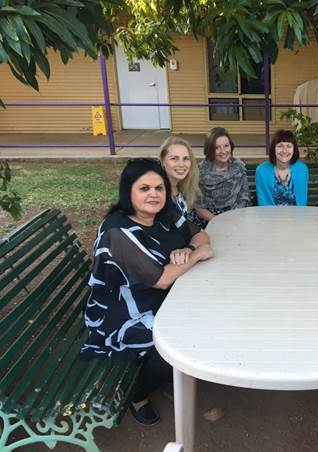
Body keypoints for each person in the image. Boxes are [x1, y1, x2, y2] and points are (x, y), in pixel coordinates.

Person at [81, 159, 214, 426]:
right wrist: (197, 254)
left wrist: (189, 248)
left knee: (212, 311)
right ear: (128, 192)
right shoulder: (117, 231)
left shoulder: (165, 216)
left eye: (159, 188)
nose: (153, 194)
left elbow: (200, 234)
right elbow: (162, 279)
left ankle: (178, 372)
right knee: (173, 342)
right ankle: (137, 394)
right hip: (123, 312)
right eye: (144, 188)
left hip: (162, 298)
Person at [192, 127, 250, 228]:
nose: (223, 151)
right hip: (209, 219)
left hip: (236, 215)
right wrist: (220, 221)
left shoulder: (238, 166)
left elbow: (244, 196)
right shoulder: (200, 172)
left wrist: (233, 217)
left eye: (226, 146)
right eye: (217, 147)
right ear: (209, 149)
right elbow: (199, 208)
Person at [255, 129, 309, 206]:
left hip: (297, 216)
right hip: (269, 216)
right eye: (280, 146)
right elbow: (262, 202)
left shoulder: (302, 169)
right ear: (274, 149)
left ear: (294, 149)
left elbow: (303, 202)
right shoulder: (261, 170)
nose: (284, 151)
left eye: (289, 146)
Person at [158, 136, 199, 223]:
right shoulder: (159, 194)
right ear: (163, 161)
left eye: (185, 158)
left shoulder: (180, 187)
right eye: (174, 158)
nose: (181, 164)